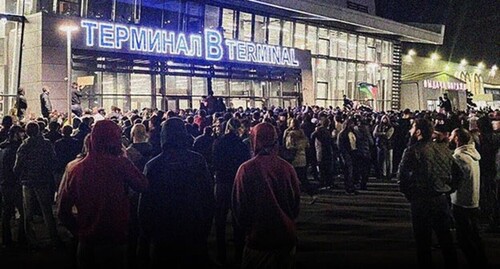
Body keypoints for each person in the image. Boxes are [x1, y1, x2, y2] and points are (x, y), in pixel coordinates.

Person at [56, 120, 148, 269]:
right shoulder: (121, 164)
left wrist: (79, 231)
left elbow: (62, 210)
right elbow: (143, 185)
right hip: (116, 238)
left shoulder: (75, 169)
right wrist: (124, 158)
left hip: (87, 240)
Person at [138, 117, 214, 268]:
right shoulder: (197, 161)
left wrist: (148, 236)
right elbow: (208, 198)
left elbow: (144, 206)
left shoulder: (153, 165)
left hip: (163, 234)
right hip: (193, 230)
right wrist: (204, 228)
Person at [232, 122, 301, 269]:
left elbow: (239, 207)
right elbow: (295, 203)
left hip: (259, 239)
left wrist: (247, 229)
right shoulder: (287, 168)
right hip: (285, 237)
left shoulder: (246, 169)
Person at [398, 118, 459, 269]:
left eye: (412, 127)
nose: (410, 130)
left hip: (421, 200)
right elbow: (458, 174)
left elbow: (402, 177)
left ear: (418, 131)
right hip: (440, 199)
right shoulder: (444, 149)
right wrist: (447, 188)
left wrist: (410, 195)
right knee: (446, 239)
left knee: (423, 242)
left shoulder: (413, 150)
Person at [13, 121, 60, 249]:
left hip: (27, 181)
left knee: (28, 212)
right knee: (47, 210)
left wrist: (20, 175)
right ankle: (54, 238)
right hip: (43, 180)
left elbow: (17, 167)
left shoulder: (24, 146)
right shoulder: (46, 144)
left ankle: (31, 240)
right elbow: (53, 160)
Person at [212, 117, 251, 265]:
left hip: (222, 183)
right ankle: (238, 254)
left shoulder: (218, 143)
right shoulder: (241, 146)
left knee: (220, 219)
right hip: (236, 183)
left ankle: (221, 253)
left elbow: (215, 163)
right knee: (238, 219)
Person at [449, 128, 489, 267]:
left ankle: (474, 262)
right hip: (473, 198)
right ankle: (482, 260)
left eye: (452, 136)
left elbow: (454, 179)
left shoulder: (459, 157)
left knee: (463, 237)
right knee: (475, 234)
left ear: (457, 139)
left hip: (461, 200)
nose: (449, 138)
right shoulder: (473, 155)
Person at [0, 125, 26, 248]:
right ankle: (21, 238)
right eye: (21, 133)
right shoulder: (17, 149)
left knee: (7, 212)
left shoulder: (3, 147)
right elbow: (18, 167)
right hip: (15, 183)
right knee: (23, 211)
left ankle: (6, 239)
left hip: (5, 183)